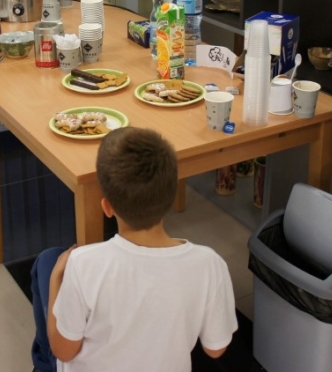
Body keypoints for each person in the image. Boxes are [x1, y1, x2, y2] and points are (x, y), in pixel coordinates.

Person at [30, 127, 238, 372]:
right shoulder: (209, 264)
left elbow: (64, 350)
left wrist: (56, 279)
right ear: (171, 197)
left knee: (48, 261)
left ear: (107, 208)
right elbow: (215, 348)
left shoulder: (82, 263)